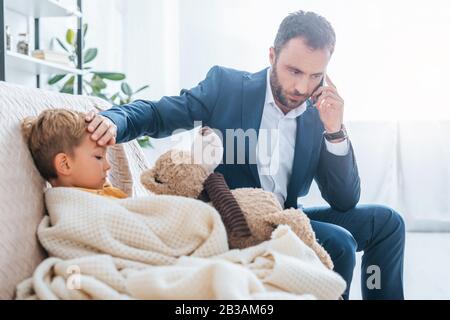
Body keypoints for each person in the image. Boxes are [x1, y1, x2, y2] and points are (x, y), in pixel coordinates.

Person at [86, 10, 405, 299]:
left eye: (314, 76)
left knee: (387, 223)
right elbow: (159, 113)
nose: (301, 87)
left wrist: (334, 131)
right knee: (339, 242)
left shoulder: (317, 113)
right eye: (293, 71)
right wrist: (117, 120)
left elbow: (344, 200)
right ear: (271, 56)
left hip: (287, 217)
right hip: (237, 221)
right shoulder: (227, 87)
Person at [21, 109, 128, 200]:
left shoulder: (100, 189)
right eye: (99, 157)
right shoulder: (75, 205)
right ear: (65, 164)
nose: (108, 166)